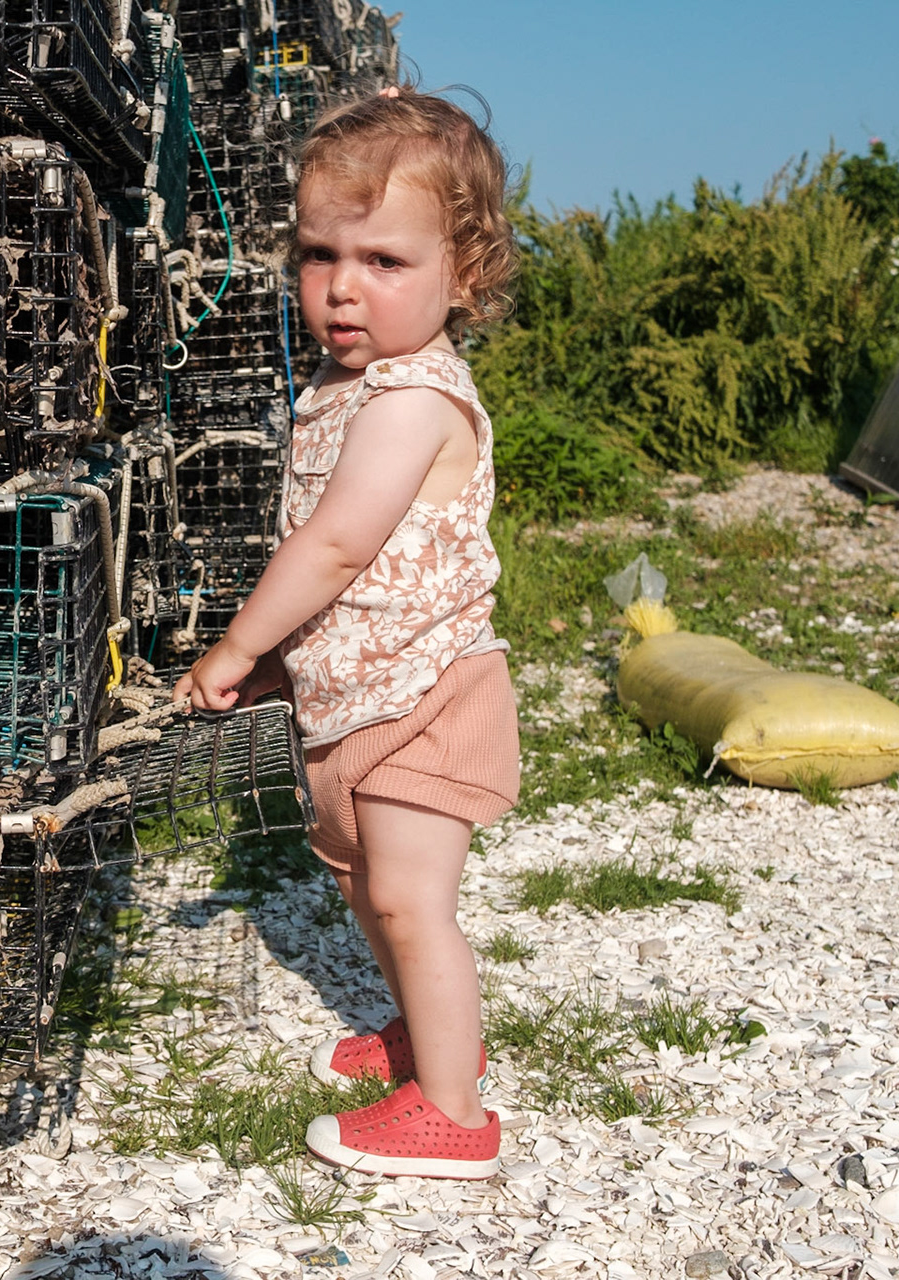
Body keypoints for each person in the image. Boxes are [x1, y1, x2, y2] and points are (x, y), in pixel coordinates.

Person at [175, 84, 520, 1179]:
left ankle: (455, 1117)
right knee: (370, 885)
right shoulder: (343, 382)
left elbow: (333, 546)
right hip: (360, 693)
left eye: (384, 261)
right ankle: (424, 1038)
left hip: (429, 696)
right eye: (321, 255)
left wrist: (236, 646)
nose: (342, 288)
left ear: (464, 274)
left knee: (413, 900)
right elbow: (340, 581)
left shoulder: (416, 397)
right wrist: (292, 661)